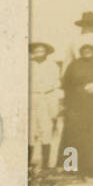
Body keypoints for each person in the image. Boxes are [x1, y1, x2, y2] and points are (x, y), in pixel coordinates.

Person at [59, 40, 93, 177]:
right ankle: (71, 167)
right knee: (74, 135)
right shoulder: (74, 65)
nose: (87, 51)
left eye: (90, 48)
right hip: (77, 106)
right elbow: (66, 84)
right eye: (84, 49)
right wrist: (68, 103)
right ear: (80, 51)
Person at [29, 41, 61, 176]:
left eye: (42, 51)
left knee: (46, 130)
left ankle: (46, 163)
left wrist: (55, 105)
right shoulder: (28, 64)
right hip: (31, 96)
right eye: (36, 51)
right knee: (31, 130)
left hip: (47, 97)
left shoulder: (52, 65)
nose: (39, 54)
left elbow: (55, 85)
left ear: (46, 52)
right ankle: (28, 164)